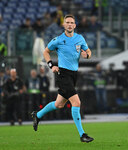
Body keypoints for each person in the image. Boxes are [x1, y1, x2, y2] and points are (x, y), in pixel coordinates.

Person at [31, 14, 94, 143]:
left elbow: (89, 52)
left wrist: (86, 55)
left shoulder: (80, 38)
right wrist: (51, 65)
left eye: (72, 22)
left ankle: (37, 115)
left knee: (59, 104)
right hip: (63, 74)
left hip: (73, 75)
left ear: (75, 25)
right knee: (76, 102)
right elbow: (45, 52)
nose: (70, 24)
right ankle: (82, 134)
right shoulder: (58, 40)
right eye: (67, 22)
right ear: (64, 25)